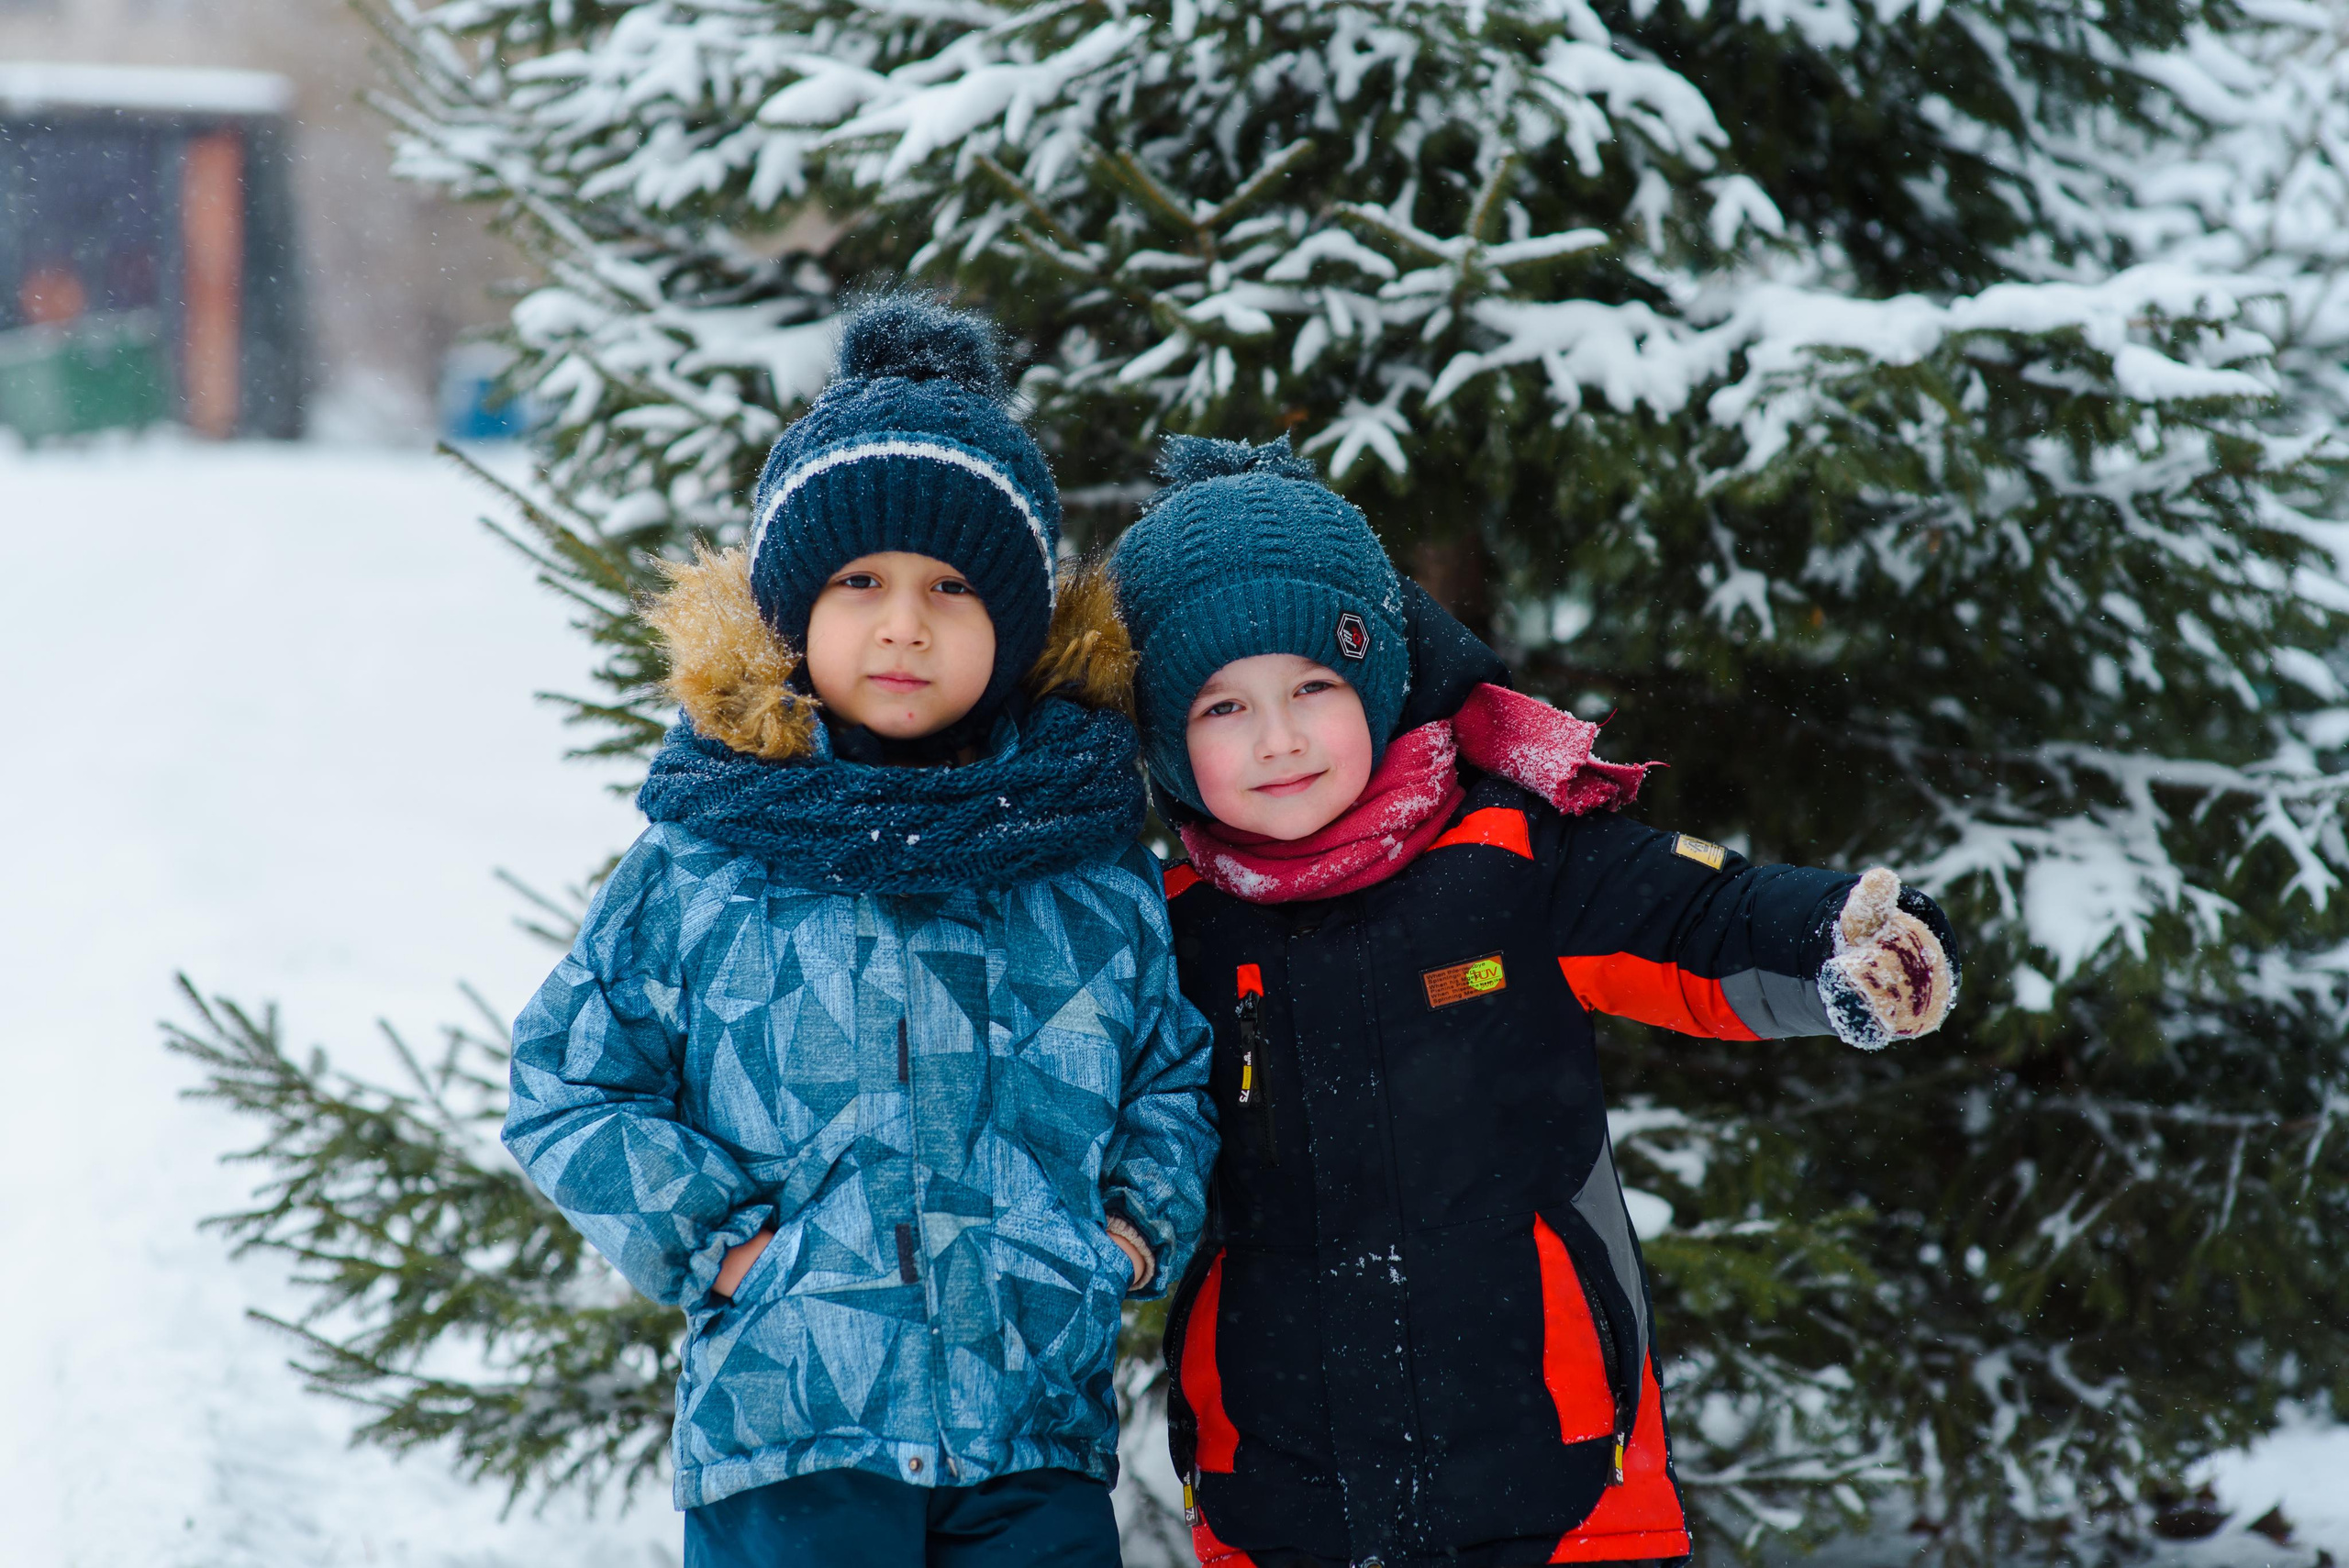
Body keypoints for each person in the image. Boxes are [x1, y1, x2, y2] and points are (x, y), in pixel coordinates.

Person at [1108, 436, 1958, 1568]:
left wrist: (1842, 941)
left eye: (1315, 685)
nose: (1280, 738)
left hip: (1559, 1477)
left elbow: (1699, 918)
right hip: (1282, 1506)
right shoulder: (1165, 932)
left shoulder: (1511, 859)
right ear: (1166, 743)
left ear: (1380, 680)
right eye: (1222, 708)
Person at [503, 298, 1219, 1568]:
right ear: (793, 611)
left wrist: (1128, 1230)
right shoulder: (710, 853)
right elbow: (567, 1079)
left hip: (1031, 1442)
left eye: (952, 586)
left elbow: (1172, 1067)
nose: (905, 622)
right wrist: (728, 1250)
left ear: (1012, 623)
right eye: (860, 582)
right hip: (791, 1438)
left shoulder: (1087, 866)